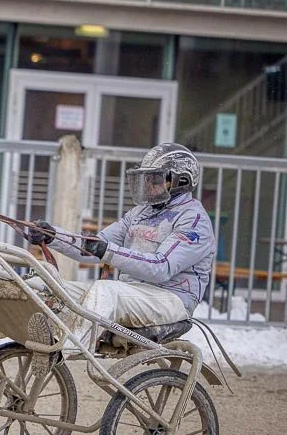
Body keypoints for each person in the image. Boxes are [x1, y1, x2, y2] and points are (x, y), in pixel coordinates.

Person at [25, 143, 215, 350]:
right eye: (147, 178)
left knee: (105, 290)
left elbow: (161, 267)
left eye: (155, 178)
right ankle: (35, 339)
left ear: (180, 181)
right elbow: (93, 246)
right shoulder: (140, 213)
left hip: (171, 300)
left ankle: (65, 349)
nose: (148, 184)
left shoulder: (194, 221)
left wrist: (107, 251)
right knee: (44, 284)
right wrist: (53, 235)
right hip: (131, 293)